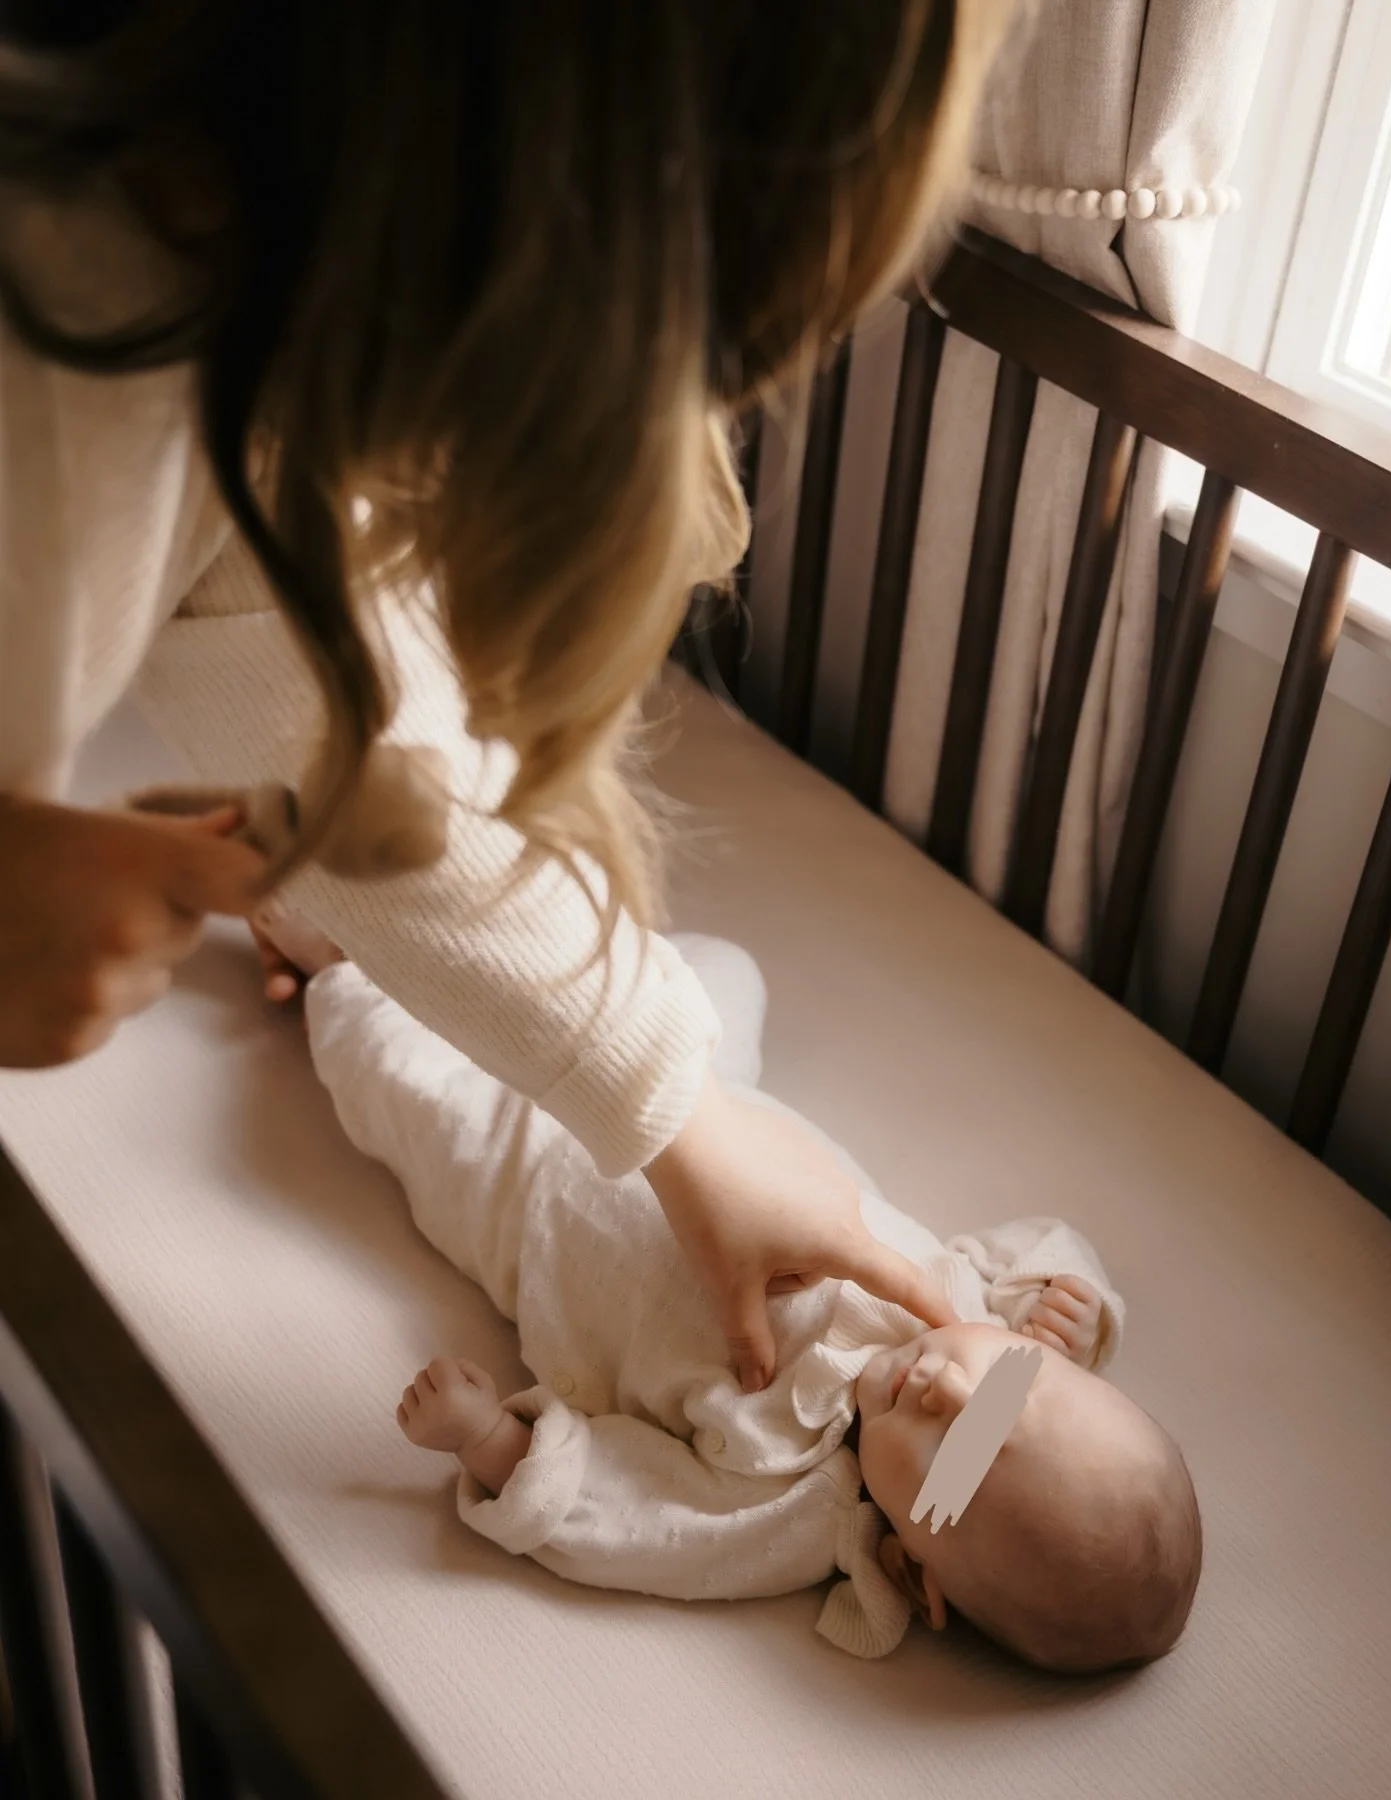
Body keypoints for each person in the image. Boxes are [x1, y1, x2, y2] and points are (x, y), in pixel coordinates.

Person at [0, 1, 1019, 1389]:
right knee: (378, 1047)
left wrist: (680, 1113)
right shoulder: (64, 332)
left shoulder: (257, 309)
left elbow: (375, 747)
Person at [274, 912, 1201, 1672]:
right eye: (1009, 1390)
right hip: (692, 1106)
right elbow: (1033, 1247)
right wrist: (1069, 1293)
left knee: (399, 1082)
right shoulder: (967, 1304)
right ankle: (529, 936)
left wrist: (491, 1442)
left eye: (957, 1462)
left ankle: (335, 962)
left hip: (525, 1198)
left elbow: (634, 1512)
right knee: (719, 970)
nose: (946, 1391)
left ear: (916, 1572)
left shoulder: (787, 1512)